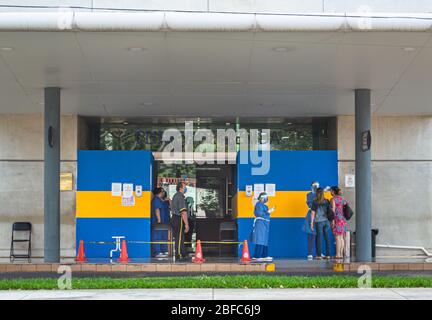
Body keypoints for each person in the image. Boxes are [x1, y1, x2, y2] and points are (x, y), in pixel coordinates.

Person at [251, 192, 275, 262]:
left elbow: (266, 213)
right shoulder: (258, 204)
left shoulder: (264, 206)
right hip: (260, 224)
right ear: (262, 198)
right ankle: (256, 256)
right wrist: (268, 212)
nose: (266, 199)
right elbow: (259, 213)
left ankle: (264, 255)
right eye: (265, 197)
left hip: (265, 224)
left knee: (264, 240)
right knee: (260, 239)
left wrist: (269, 211)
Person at [171, 182, 190, 261]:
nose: (185, 188)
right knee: (179, 238)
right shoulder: (180, 196)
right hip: (179, 219)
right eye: (184, 187)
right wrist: (186, 224)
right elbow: (183, 212)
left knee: (181, 237)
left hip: (175, 218)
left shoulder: (176, 195)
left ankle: (183, 253)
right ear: (180, 188)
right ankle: (178, 255)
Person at [311, 187, 331, 260]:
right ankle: (328, 254)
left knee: (319, 238)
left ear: (317, 193)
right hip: (326, 222)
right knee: (327, 238)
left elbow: (313, 213)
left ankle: (319, 255)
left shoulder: (315, 202)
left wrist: (311, 223)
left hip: (319, 222)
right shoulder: (327, 201)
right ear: (323, 193)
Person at [151, 187, 170, 258]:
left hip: (164, 222)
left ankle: (164, 250)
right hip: (159, 222)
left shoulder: (162, 200)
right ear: (159, 192)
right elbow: (157, 209)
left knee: (163, 236)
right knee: (157, 236)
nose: (163, 193)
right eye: (162, 191)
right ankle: (157, 251)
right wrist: (159, 219)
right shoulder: (156, 199)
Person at [330, 186, 348, 260]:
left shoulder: (333, 199)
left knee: (337, 238)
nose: (330, 192)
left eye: (331, 191)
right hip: (343, 220)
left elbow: (333, 211)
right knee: (341, 238)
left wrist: (332, 221)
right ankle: (340, 254)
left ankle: (337, 254)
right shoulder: (342, 199)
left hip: (337, 220)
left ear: (333, 192)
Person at [303, 181, 319, 260]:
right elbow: (311, 204)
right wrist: (315, 194)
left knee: (318, 236)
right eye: (314, 186)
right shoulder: (309, 195)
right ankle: (310, 253)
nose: (316, 187)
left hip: (319, 216)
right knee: (311, 235)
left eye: (317, 186)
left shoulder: (320, 195)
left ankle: (318, 253)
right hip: (311, 215)